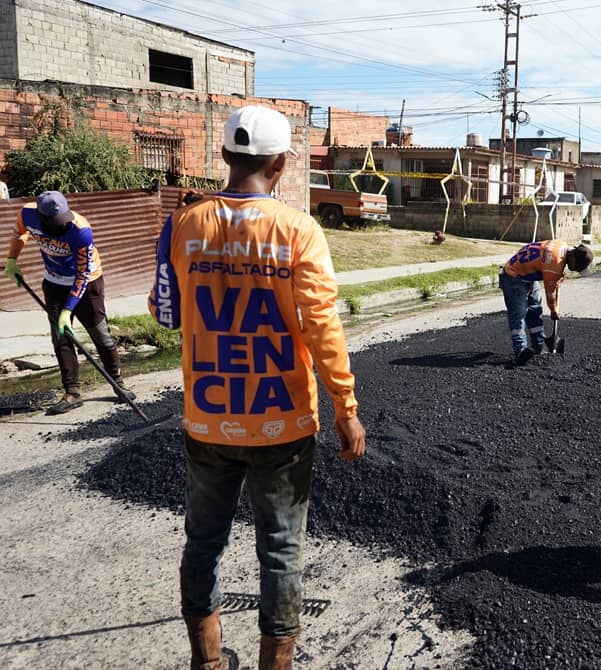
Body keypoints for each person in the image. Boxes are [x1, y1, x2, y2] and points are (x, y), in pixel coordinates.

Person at [148, 105, 366, 670]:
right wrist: (345, 407)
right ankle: (277, 662)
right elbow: (322, 326)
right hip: (282, 423)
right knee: (281, 549)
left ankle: (207, 660)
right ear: (280, 163)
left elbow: (165, 314)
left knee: (203, 542)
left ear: (224, 155)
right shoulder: (298, 230)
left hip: (208, 419)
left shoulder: (183, 223)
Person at [5, 191, 134, 414]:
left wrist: (67, 310)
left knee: (100, 333)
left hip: (88, 282)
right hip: (54, 282)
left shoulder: (80, 230)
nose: (63, 224)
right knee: (61, 336)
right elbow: (19, 233)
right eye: (56, 221)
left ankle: (117, 382)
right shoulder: (27, 214)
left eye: (64, 218)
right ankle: (72, 392)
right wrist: (11, 260)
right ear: (43, 218)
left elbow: (83, 274)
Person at [499, 239, 593, 364]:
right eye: (578, 266)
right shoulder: (555, 264)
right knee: (519, 313)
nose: (576, 269)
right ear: (572, 256)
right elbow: (550, 291)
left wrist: (558, 279)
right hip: (513, 275)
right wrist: (554, 310)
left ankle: (539, 346)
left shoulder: (562, 246)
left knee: (535, 309)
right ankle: (520, 350)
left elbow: (553, 281)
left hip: (528, 275)